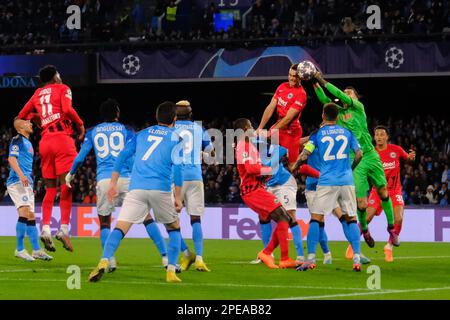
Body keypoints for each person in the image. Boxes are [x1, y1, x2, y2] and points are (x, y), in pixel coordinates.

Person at [66, 99, 170, 273]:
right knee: (146, 218)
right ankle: (165, 257)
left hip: (105, 180)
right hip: (127, 179)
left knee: (105, 222)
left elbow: (81, 156)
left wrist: (71, 173)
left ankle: (109, 260)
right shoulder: (127, 130)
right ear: (117, 113)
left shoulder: (92, 132)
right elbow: (133, 153)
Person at [88, 101, 184, 283]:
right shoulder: (177, 139)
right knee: (174, 228)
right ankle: (171, 270)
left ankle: (103, 260)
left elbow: (121, 156)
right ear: (175, 119)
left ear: (157, 117)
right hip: (160, 189)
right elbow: (178, 171)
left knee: (119, 228)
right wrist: (178, 197)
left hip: (136, 188)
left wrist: (113, 183)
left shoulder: (141, 134)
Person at [313, 71, 399, 248]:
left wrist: (322, 79)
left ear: (355, 97)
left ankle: (391, 228)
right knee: (361, 203)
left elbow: (337, 94)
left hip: (370, 155)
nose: (346, 94)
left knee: (383, 192)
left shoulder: (358, 108)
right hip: (356, 159)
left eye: (349, 92)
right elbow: (324, 101)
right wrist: (314, 83)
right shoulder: (338, 114)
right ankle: (365, 230)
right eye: (345, 92)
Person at [17, 65, 85, 252]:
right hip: (63, 140)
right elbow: (67, 109)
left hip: (45, 143)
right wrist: (80, 124)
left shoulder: (37, 94)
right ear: (55, 76)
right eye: (59, 74)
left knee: (49, 189)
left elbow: (22, 117)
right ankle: (63, 229)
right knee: (67, 186)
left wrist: (39, 120)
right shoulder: (63, 88)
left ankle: (45, 228)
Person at [292, 103, 363, 272]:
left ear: (323, 116)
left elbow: (305, 153)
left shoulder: (318, 134)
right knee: (351, 218)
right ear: (337, 117)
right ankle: (357, 258)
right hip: (346, 181)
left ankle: (310, 259)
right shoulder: (347, 133)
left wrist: (295, 166)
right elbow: (359, 154)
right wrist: (350, 169)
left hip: (326, 181)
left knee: (316, 218)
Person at [233, 118, 298, 269]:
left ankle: (269, 253)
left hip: (256, 188)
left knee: (284, 218)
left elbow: (254, 167)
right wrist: (269, 170)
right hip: (252, 190)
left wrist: (263, 171)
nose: (253, 128)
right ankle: (282, 258)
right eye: (250, 126)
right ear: (244, 129)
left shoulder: (246, 146)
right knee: (284, 217)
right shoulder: (244, 146)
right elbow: (251, 169)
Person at [354, 126, 415, 262]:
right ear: (374, 137)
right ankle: (353, 247)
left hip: (394, 191)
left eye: (382, 134)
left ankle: (389, 246)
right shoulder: (370, 152)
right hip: (377, 191)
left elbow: (408, 160)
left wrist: (411, 157)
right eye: (377, 135)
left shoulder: (396, 150)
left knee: (398, 218)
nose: (379, 137)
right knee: (367, 217)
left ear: (387, 137)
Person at [256, 64, 319, 178]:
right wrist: (260, 127)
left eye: (295, 76)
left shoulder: (301, 94)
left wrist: (272, 131)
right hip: (279, 126)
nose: (291, 78)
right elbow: (271, 107)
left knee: (293, 167)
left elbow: (288, 118)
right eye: (290, 75)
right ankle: (306, 139)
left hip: (291, 131)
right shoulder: (282, 87)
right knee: (265, 141)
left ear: (300, 77)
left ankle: (321, 176)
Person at [250, 139, 306, 265]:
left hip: (284, 184)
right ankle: (267, 254)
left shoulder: (274, 149)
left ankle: (300, 256)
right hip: (269, 186)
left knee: (290, 217)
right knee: (263, 217)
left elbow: (288, 148)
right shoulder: (250, 157)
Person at [174, 100, 214, 272]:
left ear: (175, 116)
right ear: (191, 115)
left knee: (170, 221)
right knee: (195, 219)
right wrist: (202, 153)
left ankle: (185, 253)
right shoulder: (199, 129)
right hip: (195, 177)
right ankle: (199, 258)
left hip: (176, 179)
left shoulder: (171, 129)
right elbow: (212, 153)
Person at [7, 118, 53, 262]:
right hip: (17, 182)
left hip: (26, 183)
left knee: (31, 216)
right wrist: (21, 176)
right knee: (25, 211)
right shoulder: (17, 140)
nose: (31, 124)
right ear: (20, 127)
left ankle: (36, 250)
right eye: (27, 123)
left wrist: (29, 183)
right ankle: (20, 249)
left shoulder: (28, 142)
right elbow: (11, 159)